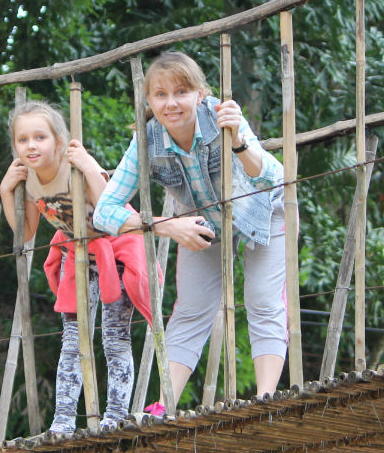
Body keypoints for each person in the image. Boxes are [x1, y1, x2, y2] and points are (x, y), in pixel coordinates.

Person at [93, 50, 288, 407]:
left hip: (262, 210)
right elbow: (103, 212)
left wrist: (239, 142)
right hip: (201, 224)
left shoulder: (222, 114)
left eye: (181, 91)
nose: (171, 103)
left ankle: (266, 400)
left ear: (200, 94)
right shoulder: (146, 140)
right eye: (160, 94)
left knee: (262, 301)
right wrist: (168, 226)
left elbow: (272, 176)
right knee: (190, 310)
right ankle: (164, 405)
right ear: (149, 100)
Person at [0, 100, 156, 433]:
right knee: (72, 340)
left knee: (114, 338)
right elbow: (25, 232)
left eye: (39, 137)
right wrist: (5, 190)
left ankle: (114, 417)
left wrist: (89, 168)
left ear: (58, 140)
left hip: (116, 249)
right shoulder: (27, 180)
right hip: (79, 253)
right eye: (22, 140)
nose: (31, 146)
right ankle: (63, 421)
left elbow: (108, 208)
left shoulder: (74, 165)